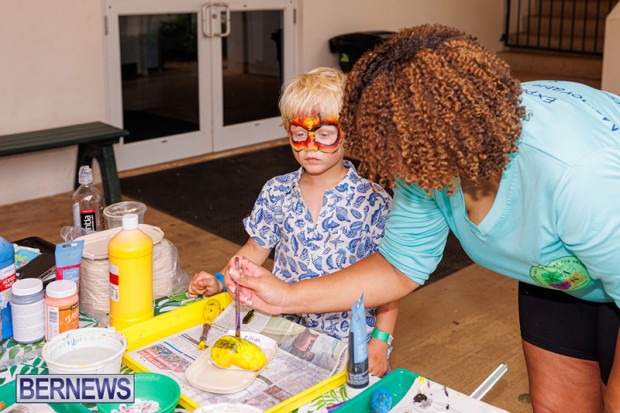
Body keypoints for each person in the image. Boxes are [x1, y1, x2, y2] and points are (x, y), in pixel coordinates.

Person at [224, 24, 620, 412]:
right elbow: (398, 266)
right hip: (558, 277)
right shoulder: (420, 156)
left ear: (450, 135)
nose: (392, 169)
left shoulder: (580, 175)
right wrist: (288, 296)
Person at [188, 67, 399, 377]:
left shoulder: (374, 200)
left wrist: (379, 343)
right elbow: (253, 251)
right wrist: (222, 281)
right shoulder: (276, 191)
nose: (310, 146)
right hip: (286, 329)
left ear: (350, 132)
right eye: (299, 134)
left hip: (351, 339)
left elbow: (391, 280)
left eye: (324, 134)